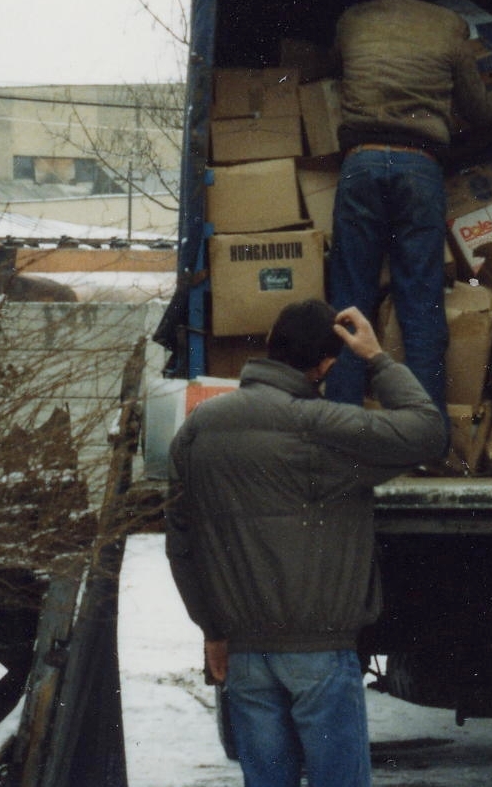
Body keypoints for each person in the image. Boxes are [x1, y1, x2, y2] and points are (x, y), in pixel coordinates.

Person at [165, 299, 446, 787]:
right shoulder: (322, 427)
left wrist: (212, 630)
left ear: (271, 347)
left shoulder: (196, 430)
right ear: (326, 365)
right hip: (320, 650)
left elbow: (181, 545)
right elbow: (426, 432)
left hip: (245, 652)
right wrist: (377, 358)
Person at [325, 0, 492, 418]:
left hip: (360, 163)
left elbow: (335, 68)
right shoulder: (450, 26)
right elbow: (479, 110)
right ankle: (425, 430)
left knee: (349, 298)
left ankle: (339, 419)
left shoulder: (351, 21)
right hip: (420, 169)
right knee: (420, 298)